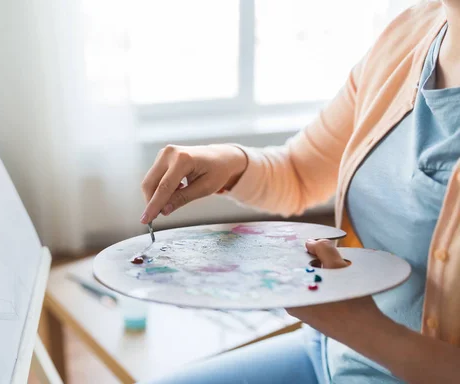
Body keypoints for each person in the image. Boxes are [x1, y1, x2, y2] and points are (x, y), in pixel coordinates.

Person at [138, 1, 460, 383]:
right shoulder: (411, 33)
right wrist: (232, 161)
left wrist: (363, 328)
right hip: (330, 351)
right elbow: (299, 172)